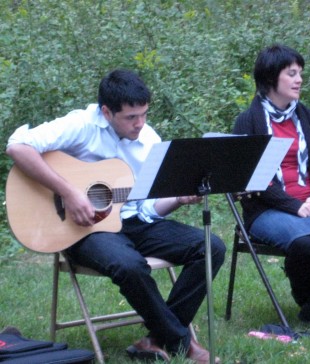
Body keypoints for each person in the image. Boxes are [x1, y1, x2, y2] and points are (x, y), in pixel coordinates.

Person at [6, 69, 226, 363]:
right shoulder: (81, 125)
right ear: (106, 111)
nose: (140, 124)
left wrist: (178, 199)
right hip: (83, 229)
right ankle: (179, 340)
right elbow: (18, 146)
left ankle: (156, 339)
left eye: (144, 114)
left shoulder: (148, 139)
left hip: (133, 223)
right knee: (128, 264)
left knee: (211, 247)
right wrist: (69, 193)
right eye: (131, 117)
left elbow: (147, 207)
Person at [232, 44, 310, 330]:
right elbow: (252, 177)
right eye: (291, 73)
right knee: (306, 244)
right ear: (270, 78)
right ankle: (307, 301)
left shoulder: (306, 116)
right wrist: (293, 205)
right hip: (266, 209)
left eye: (300, 73)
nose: (299, 79)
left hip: (309, 202)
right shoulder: (248, 122)